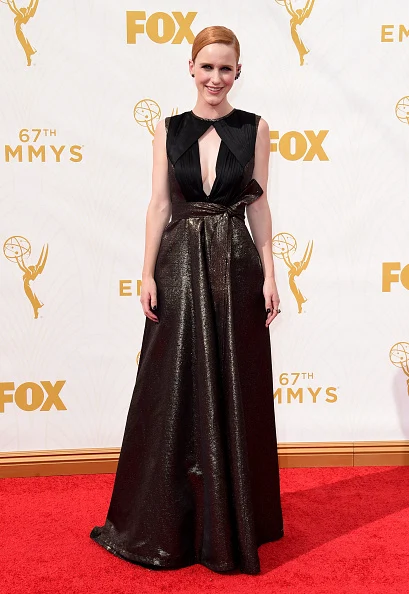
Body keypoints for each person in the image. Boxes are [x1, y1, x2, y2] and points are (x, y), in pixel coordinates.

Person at [90, 25, 284, 575]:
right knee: (171, 384)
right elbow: (158, 205)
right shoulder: (168, 128)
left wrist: (271, 273)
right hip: (177, 264)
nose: (215, 78)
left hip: (235, 265)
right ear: (191, 68)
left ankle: (237, 518)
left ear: (238, 72)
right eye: (207, 67)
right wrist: (146, 272)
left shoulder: (255, 128)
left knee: (236, 383)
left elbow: (259, 206)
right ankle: (166, 521)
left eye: (226, 68)